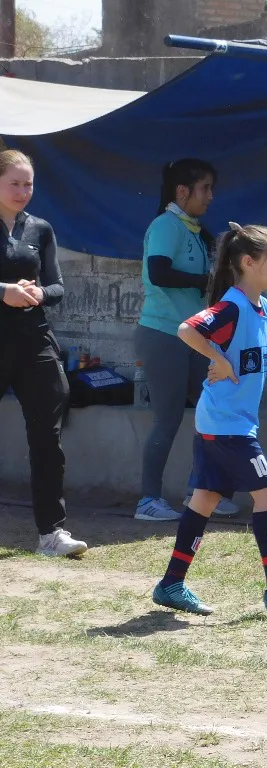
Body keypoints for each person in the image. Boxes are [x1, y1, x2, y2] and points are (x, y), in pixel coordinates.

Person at [151, 223, 267, 616]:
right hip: (226, 424)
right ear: (247, 263)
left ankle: (171, 584)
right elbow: (187, 329)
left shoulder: (264, 308)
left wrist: (224, 358)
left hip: (227, 421)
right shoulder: (231, 305)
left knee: (205, 499)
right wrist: (217, 359)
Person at [135, 159, 238, 522]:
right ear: (182, 192)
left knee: (215, 409)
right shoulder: (166, 225)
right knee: (168, 418)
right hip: (163, 334)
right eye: (205, 188)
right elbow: (158, 272)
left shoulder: (192, 229)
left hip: (192, 337)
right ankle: (148, 500)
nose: (210, 196)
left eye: (211, 188)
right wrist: (205, 282)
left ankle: (203, 493)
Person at [0, 150, 86, 558]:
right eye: (14, 183)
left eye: (28, 184)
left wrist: (38, 292)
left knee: (47, 436)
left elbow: (57, 286)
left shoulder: (40, 228)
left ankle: (52, 533)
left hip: (33, 339)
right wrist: (4, 292)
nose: (23, 191)